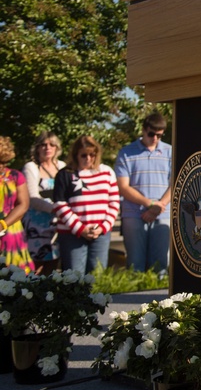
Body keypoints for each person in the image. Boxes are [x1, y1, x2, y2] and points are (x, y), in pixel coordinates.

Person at [114, 113, 172, 272]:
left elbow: (175, 183)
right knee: (135, 263)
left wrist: (158, 207)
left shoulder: (170, 152)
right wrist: (150, 204)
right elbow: (123, 187)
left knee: (161, 265)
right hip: (134, 214)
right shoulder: (126, 152)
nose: (155, 138)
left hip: (163, 214)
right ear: (143, 130)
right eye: (151, 134)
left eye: (159, 135)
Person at [53, 136, 120, 273]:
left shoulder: (107, 172)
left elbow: (114, 202)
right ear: (76, 155)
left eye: (92, 155)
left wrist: (103, 227)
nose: (88, 159)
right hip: (72, 234)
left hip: (100, 233)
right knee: (73, 277)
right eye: (84, 155)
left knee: (97, 275)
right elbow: (59, 204)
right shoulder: (65, 174)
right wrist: (80, 229)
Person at [22, 131, 65, 269]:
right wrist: (58, 210)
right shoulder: (31, 167)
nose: (48, 148)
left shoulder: (63, 166)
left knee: (55, 265)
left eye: (52, 145)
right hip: (37, 226)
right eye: (43, 145)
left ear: (57, 148)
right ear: (37, 148)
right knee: (37, 267)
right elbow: (33, 198)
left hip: (61, 223)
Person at [0, 135, 34, 273]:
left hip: (10, 233)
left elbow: (23, 204)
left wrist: (2, 224)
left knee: (14, 279)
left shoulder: (14, 176)